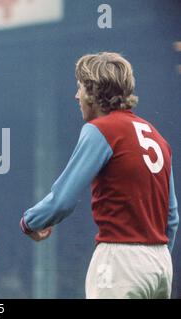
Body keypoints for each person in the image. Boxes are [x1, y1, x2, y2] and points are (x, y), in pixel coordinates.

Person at [20, 52, 179, 299]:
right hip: (160, 264)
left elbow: (62, 199)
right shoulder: (157, 137)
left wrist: (30, 221)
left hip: (120, 261)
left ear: (94, 91)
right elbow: (172, 218)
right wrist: (155, 257)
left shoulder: (101, 130)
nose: (76, 96)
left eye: (80, 87)